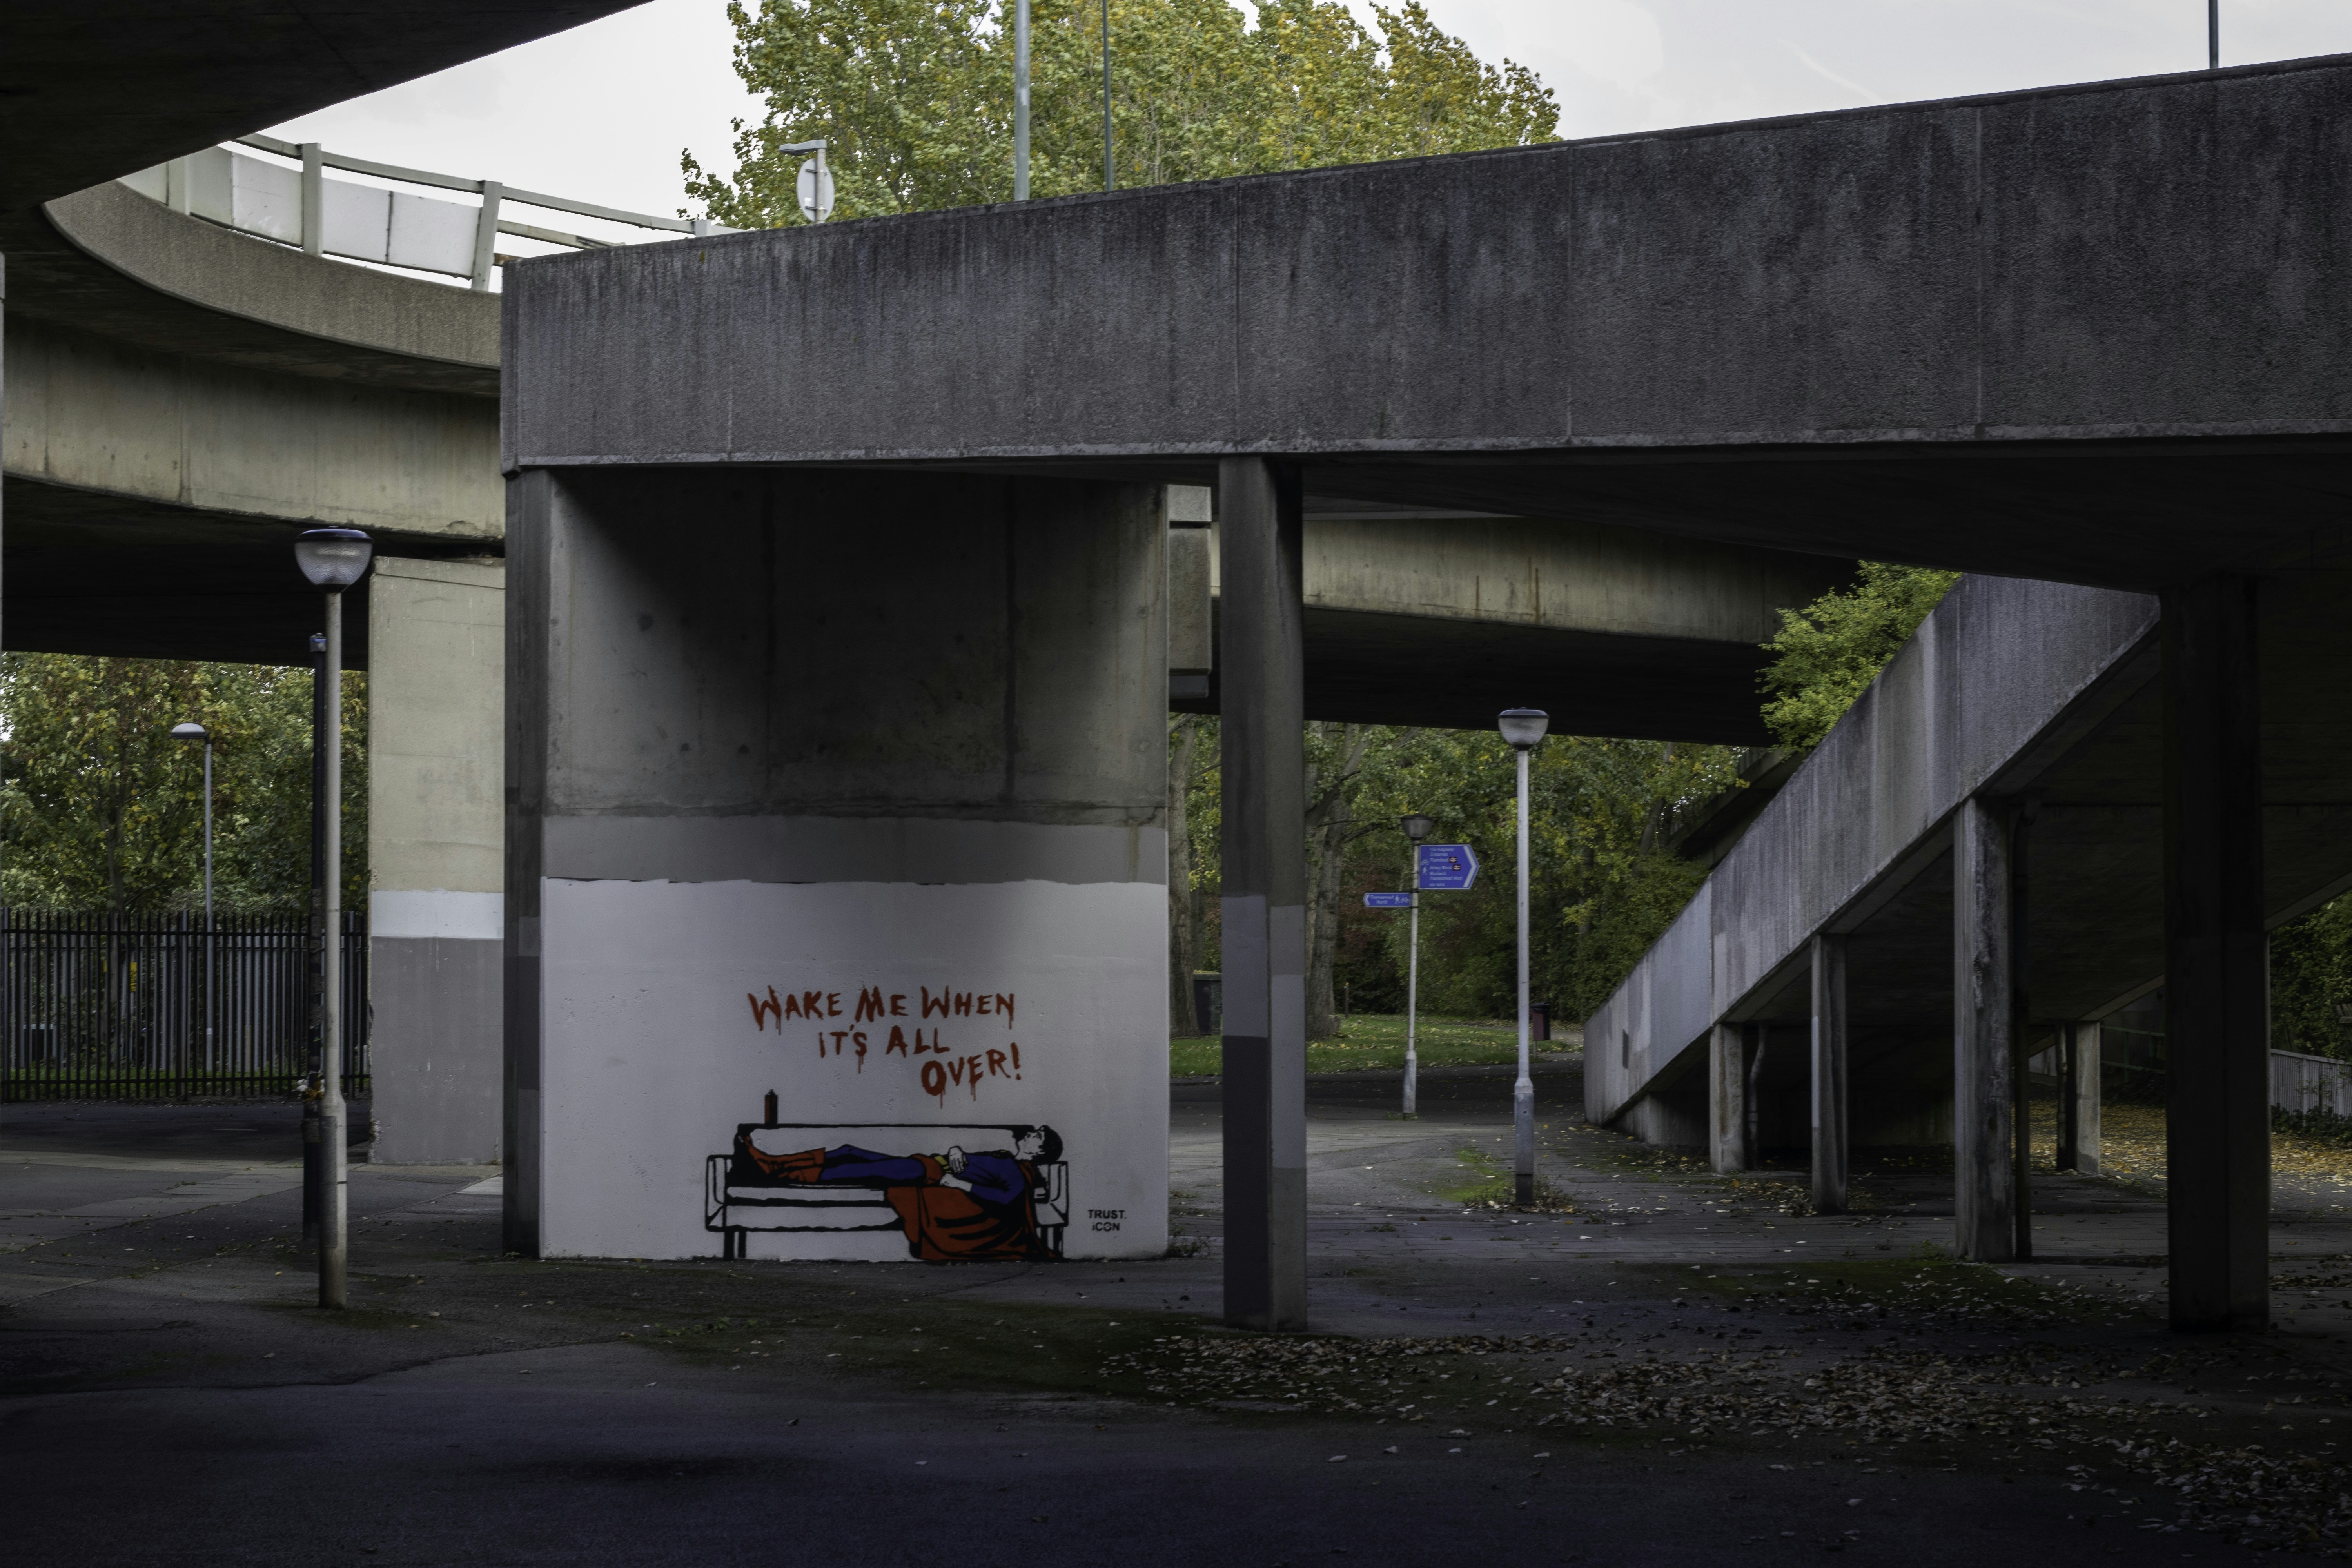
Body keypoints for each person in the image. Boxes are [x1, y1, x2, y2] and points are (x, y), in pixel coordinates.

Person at [740, 1125, 1063, 1260]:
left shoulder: (1021, 1175)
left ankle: (780, 1170)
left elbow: (1005, 1200)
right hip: (931, 1163)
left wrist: (959, 1184)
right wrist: (954, 1148)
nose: (1031, 1134)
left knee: (856, 1169)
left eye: (1037, 1136)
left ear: (1039, 1151)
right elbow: (972, 1160)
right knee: (851, 1150)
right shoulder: (1005, 1157)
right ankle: (774, 1163)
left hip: (928, 1173)